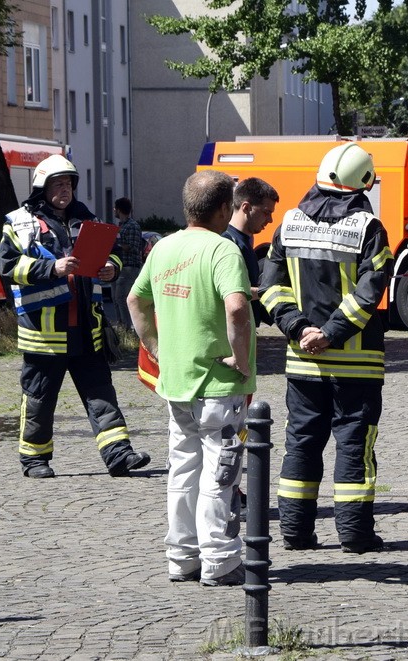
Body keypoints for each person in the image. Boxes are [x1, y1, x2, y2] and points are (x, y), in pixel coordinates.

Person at [259, 142, 392, 554]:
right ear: (365, 182)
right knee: (353, 445)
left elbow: (271, 289)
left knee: (301, 442)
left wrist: (300, 330)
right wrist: (331, 332)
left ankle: (296, 533)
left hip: (304, 363)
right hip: (357, 364)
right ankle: (354, 535)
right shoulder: (369, 228)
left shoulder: (289, 223)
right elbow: (371, 293)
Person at [129, 169, 255, 586]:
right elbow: (237, 307)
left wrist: (154, 347)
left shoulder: (163, 248)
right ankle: (220, 561)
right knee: (221, 475)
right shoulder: (223, 251)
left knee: (183, 471)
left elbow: (135, 298)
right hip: (219, 385)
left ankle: (181, 558)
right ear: (226, 208)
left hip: (178, 381)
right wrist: (242, 360)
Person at [0, 154, 151, 479]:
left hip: (86, 327)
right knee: (39, 399)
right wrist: (51, 267)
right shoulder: (20, 222)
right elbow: (8, 267)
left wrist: (112, 269)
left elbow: (115, 254)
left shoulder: (87, 220)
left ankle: (119, 456)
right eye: (57, 184)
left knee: (102, 394)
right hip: (44, 335)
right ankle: (34, 460)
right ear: (43, 187)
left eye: (68, 183)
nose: (64, 189)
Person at [222, 177, 279, 326]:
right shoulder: (227, 243)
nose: (271, 220)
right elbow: (231, 291)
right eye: (266, 212)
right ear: (246, 207)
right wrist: (266, 292)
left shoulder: (246, 240)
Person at [111, 197, 145, 331]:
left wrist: (115, 245)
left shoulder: (132, 226)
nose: (113, 210)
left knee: (122, 299)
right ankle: (121, 327)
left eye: (115, 208)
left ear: (119, 209)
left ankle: (128, 328)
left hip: (129, 267)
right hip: (119, 267)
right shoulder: (121, 226)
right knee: (115, 299)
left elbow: (133, 247)